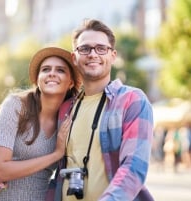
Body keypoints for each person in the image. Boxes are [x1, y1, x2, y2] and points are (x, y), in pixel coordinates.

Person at [47, 19, 154, 201]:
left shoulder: (132, 100)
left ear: (113, 56)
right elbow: (57, 171)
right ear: (74, 57)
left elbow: (134, 167)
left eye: (101, 48)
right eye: (85, 48)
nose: (93, 54)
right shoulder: (65, 108)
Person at [0, 47, 81, 201]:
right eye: (45, 69)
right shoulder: (16, 105)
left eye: (60, 70)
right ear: (38, 79)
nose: (52, 73)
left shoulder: (72, 117)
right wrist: (56, 155)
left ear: (71, 82)